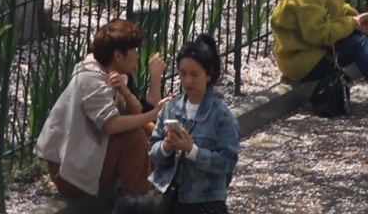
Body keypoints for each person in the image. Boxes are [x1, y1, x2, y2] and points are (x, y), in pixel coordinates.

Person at [37, 23, 157, 209]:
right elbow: (111, 125)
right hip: (70, 172)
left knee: (149, 130)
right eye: (134, 49)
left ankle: (141, 199)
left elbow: (134, 114)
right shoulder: (90, 79)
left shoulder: (116, 74)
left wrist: (126, 93)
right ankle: (135, 206)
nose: (137, 55)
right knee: (136, 137)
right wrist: (153, 114)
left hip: (92, 157)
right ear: (118, 55)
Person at [148, 37, 239, 208]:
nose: (188, 81)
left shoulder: (221, 116)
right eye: (183, 74)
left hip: (206, 201)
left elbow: (227, 162)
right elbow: (153, 153)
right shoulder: (170, 109)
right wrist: (166, 147)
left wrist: (192, 150)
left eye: (195, 74)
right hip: (171, 198)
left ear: (208, 75)